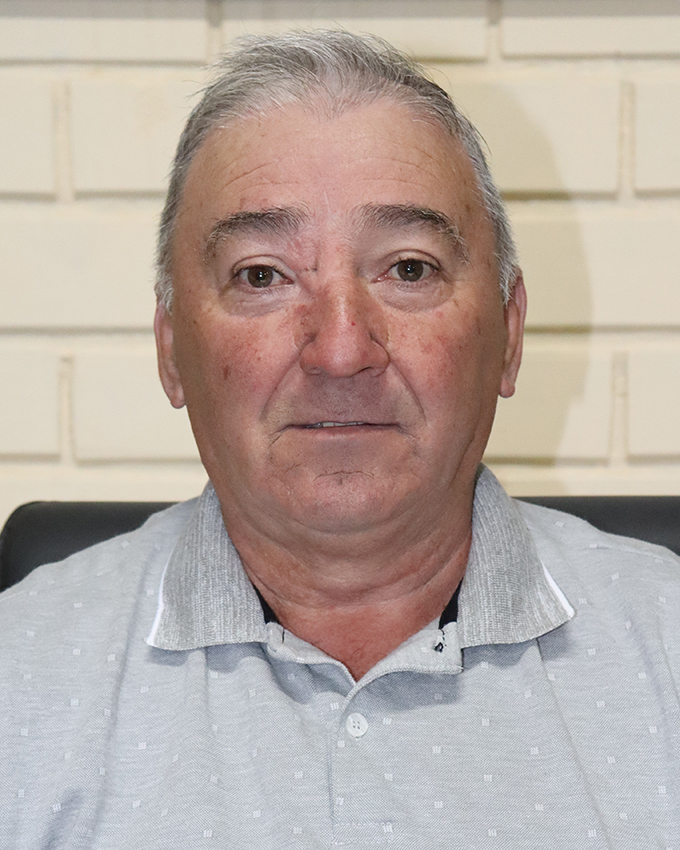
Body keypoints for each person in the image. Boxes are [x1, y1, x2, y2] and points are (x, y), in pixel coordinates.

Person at [1, 30, 678, 849]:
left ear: (508, 332)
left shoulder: (666, 649)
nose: (342, 350)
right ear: (172, 349)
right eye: (262, 275)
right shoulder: (20, 679)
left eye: (409, 269)